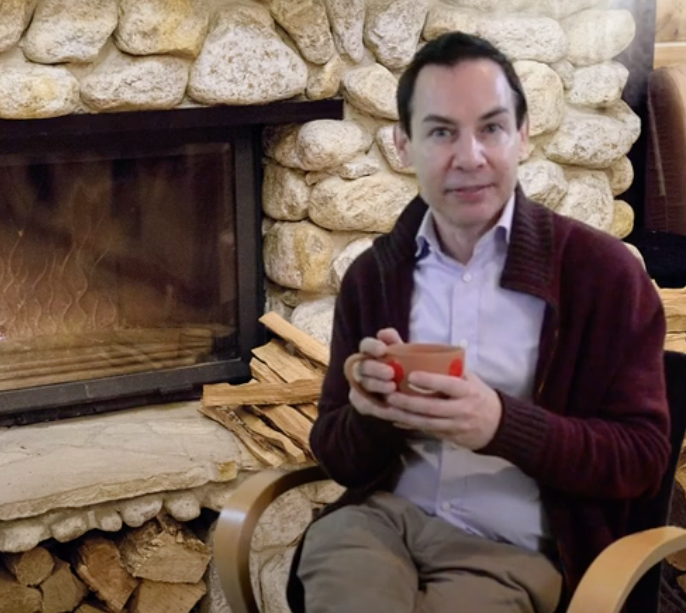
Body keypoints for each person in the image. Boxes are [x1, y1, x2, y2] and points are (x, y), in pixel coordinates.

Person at [287, 32, 671, 613]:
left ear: (522, 135)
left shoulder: (604, 275)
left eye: (491, 128)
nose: (470, 157)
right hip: (378, 526)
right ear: (403, 145)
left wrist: (500, 421)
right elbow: (338, 458)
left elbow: (641, 459)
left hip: (515, 548)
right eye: (441, 132)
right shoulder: (377, 275)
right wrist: (370, 415)